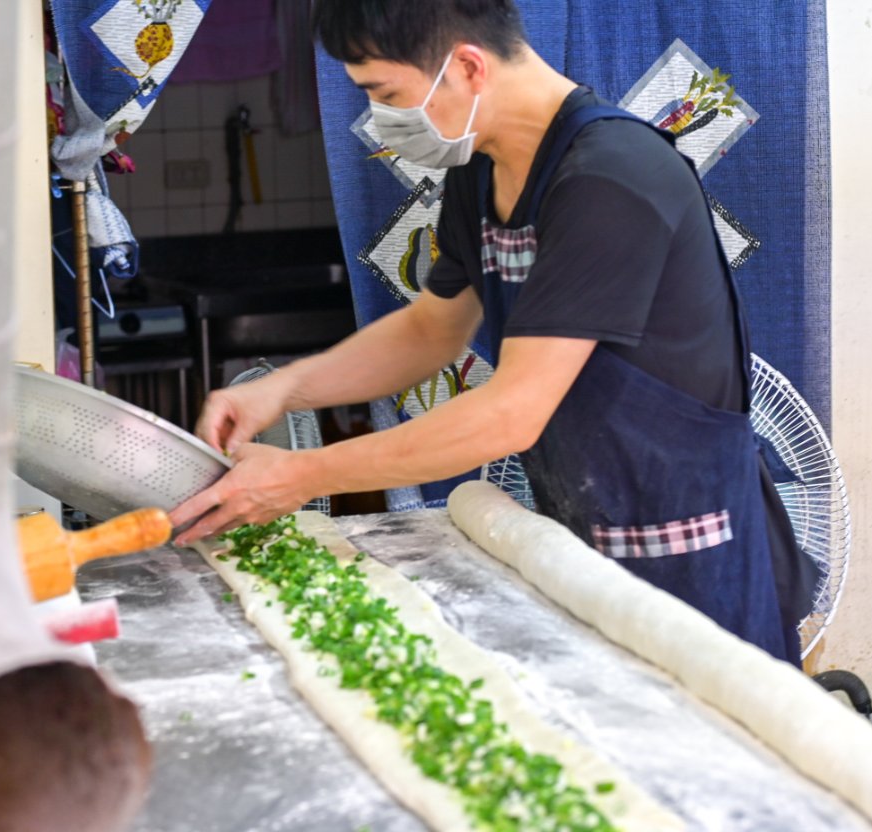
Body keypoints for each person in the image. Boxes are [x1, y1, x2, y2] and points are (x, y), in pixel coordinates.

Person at [170, 0, 815, 665]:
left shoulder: (609, 176)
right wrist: (282, 391)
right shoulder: (478, 173)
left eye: (386, 94)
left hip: (689, 551)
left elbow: (511, 414)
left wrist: (304, 475)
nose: (384, 123)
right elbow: (430, 331)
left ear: (467, 67)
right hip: (579, 539)